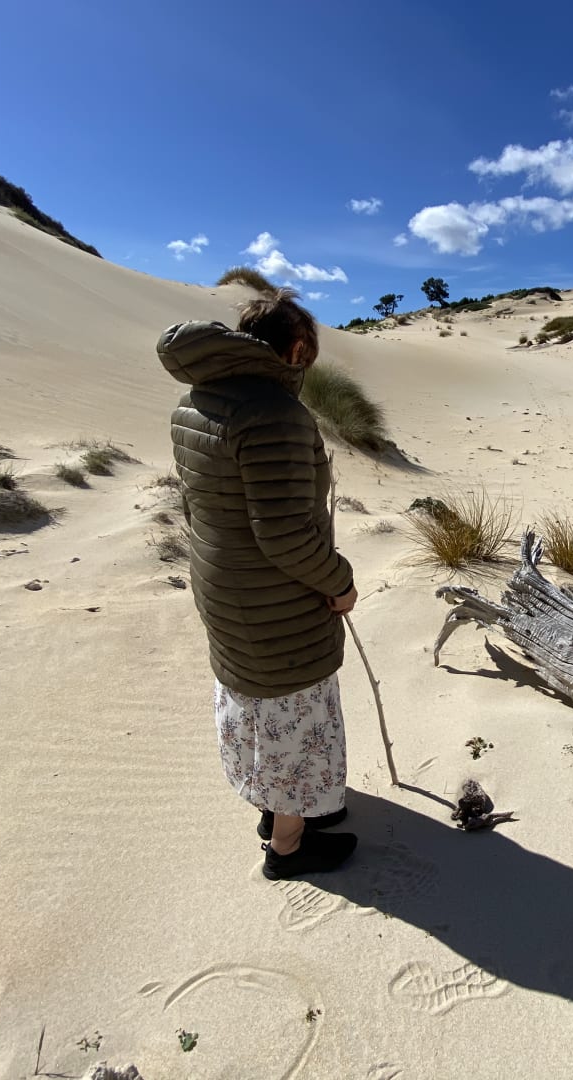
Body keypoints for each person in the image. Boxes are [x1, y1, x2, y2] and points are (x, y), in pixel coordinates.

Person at [158, 289, 359, 880]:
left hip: (223, 586)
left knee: (258, 708)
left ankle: (284, 810)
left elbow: (195, 506)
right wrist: (340, 582)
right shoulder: (275, 414)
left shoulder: (194, 401)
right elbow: (286, 536)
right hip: (272, 597)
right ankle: (288, 846)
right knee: (293, 712)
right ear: (297, 348)